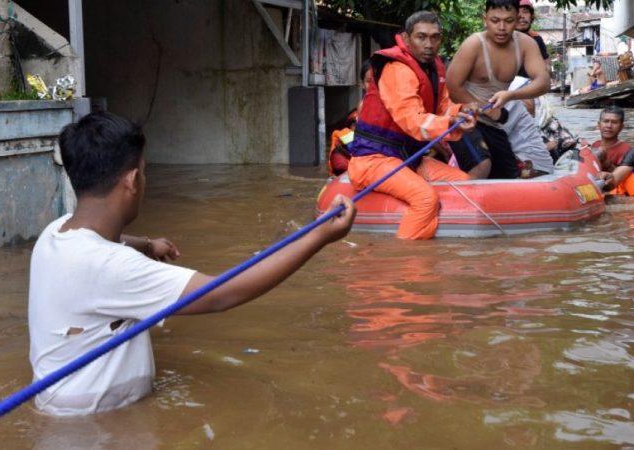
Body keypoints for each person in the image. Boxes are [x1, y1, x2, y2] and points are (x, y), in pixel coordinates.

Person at [28, 112, 356, 415]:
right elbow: (221, 294)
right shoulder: (113, 267)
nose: (145, 181)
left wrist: (147, 244)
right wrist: (319, 238)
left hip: (64, 409)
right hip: (102, 424)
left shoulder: (54, 234)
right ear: (131, 181)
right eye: (144, 172)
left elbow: (105, 245)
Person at [348, 11, 477, 240]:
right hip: (373, 160)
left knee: (464, 183)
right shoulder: (397, 69)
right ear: (406, 39)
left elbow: (443, 108)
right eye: (421, 37)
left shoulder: (434, 68)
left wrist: (461, 111)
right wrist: (450, 121)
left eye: (435, 37)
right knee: (425, 199)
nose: (429, 44)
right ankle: (407, 265)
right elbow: (412, 120)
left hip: (406, 158)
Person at [446, 0, 551, 179]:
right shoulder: (473, 44)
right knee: (482, 165)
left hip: (494, 121)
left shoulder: (526, 44)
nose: (501, 27)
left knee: (508, 177)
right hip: (465, 118)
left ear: (517, 20)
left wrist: (511, 95)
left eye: (509, 21)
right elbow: (452, 86)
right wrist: (485, 109)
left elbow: (543, 82)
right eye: (495, 21)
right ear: (484, 19)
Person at [591, 105, 631, 171]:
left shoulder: (627, 150)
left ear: (621, 127)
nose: (609, 126)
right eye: (606, 121)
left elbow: (623, 177)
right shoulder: (595, 145)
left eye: (614, 122)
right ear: (599, 125)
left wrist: (605, 161)